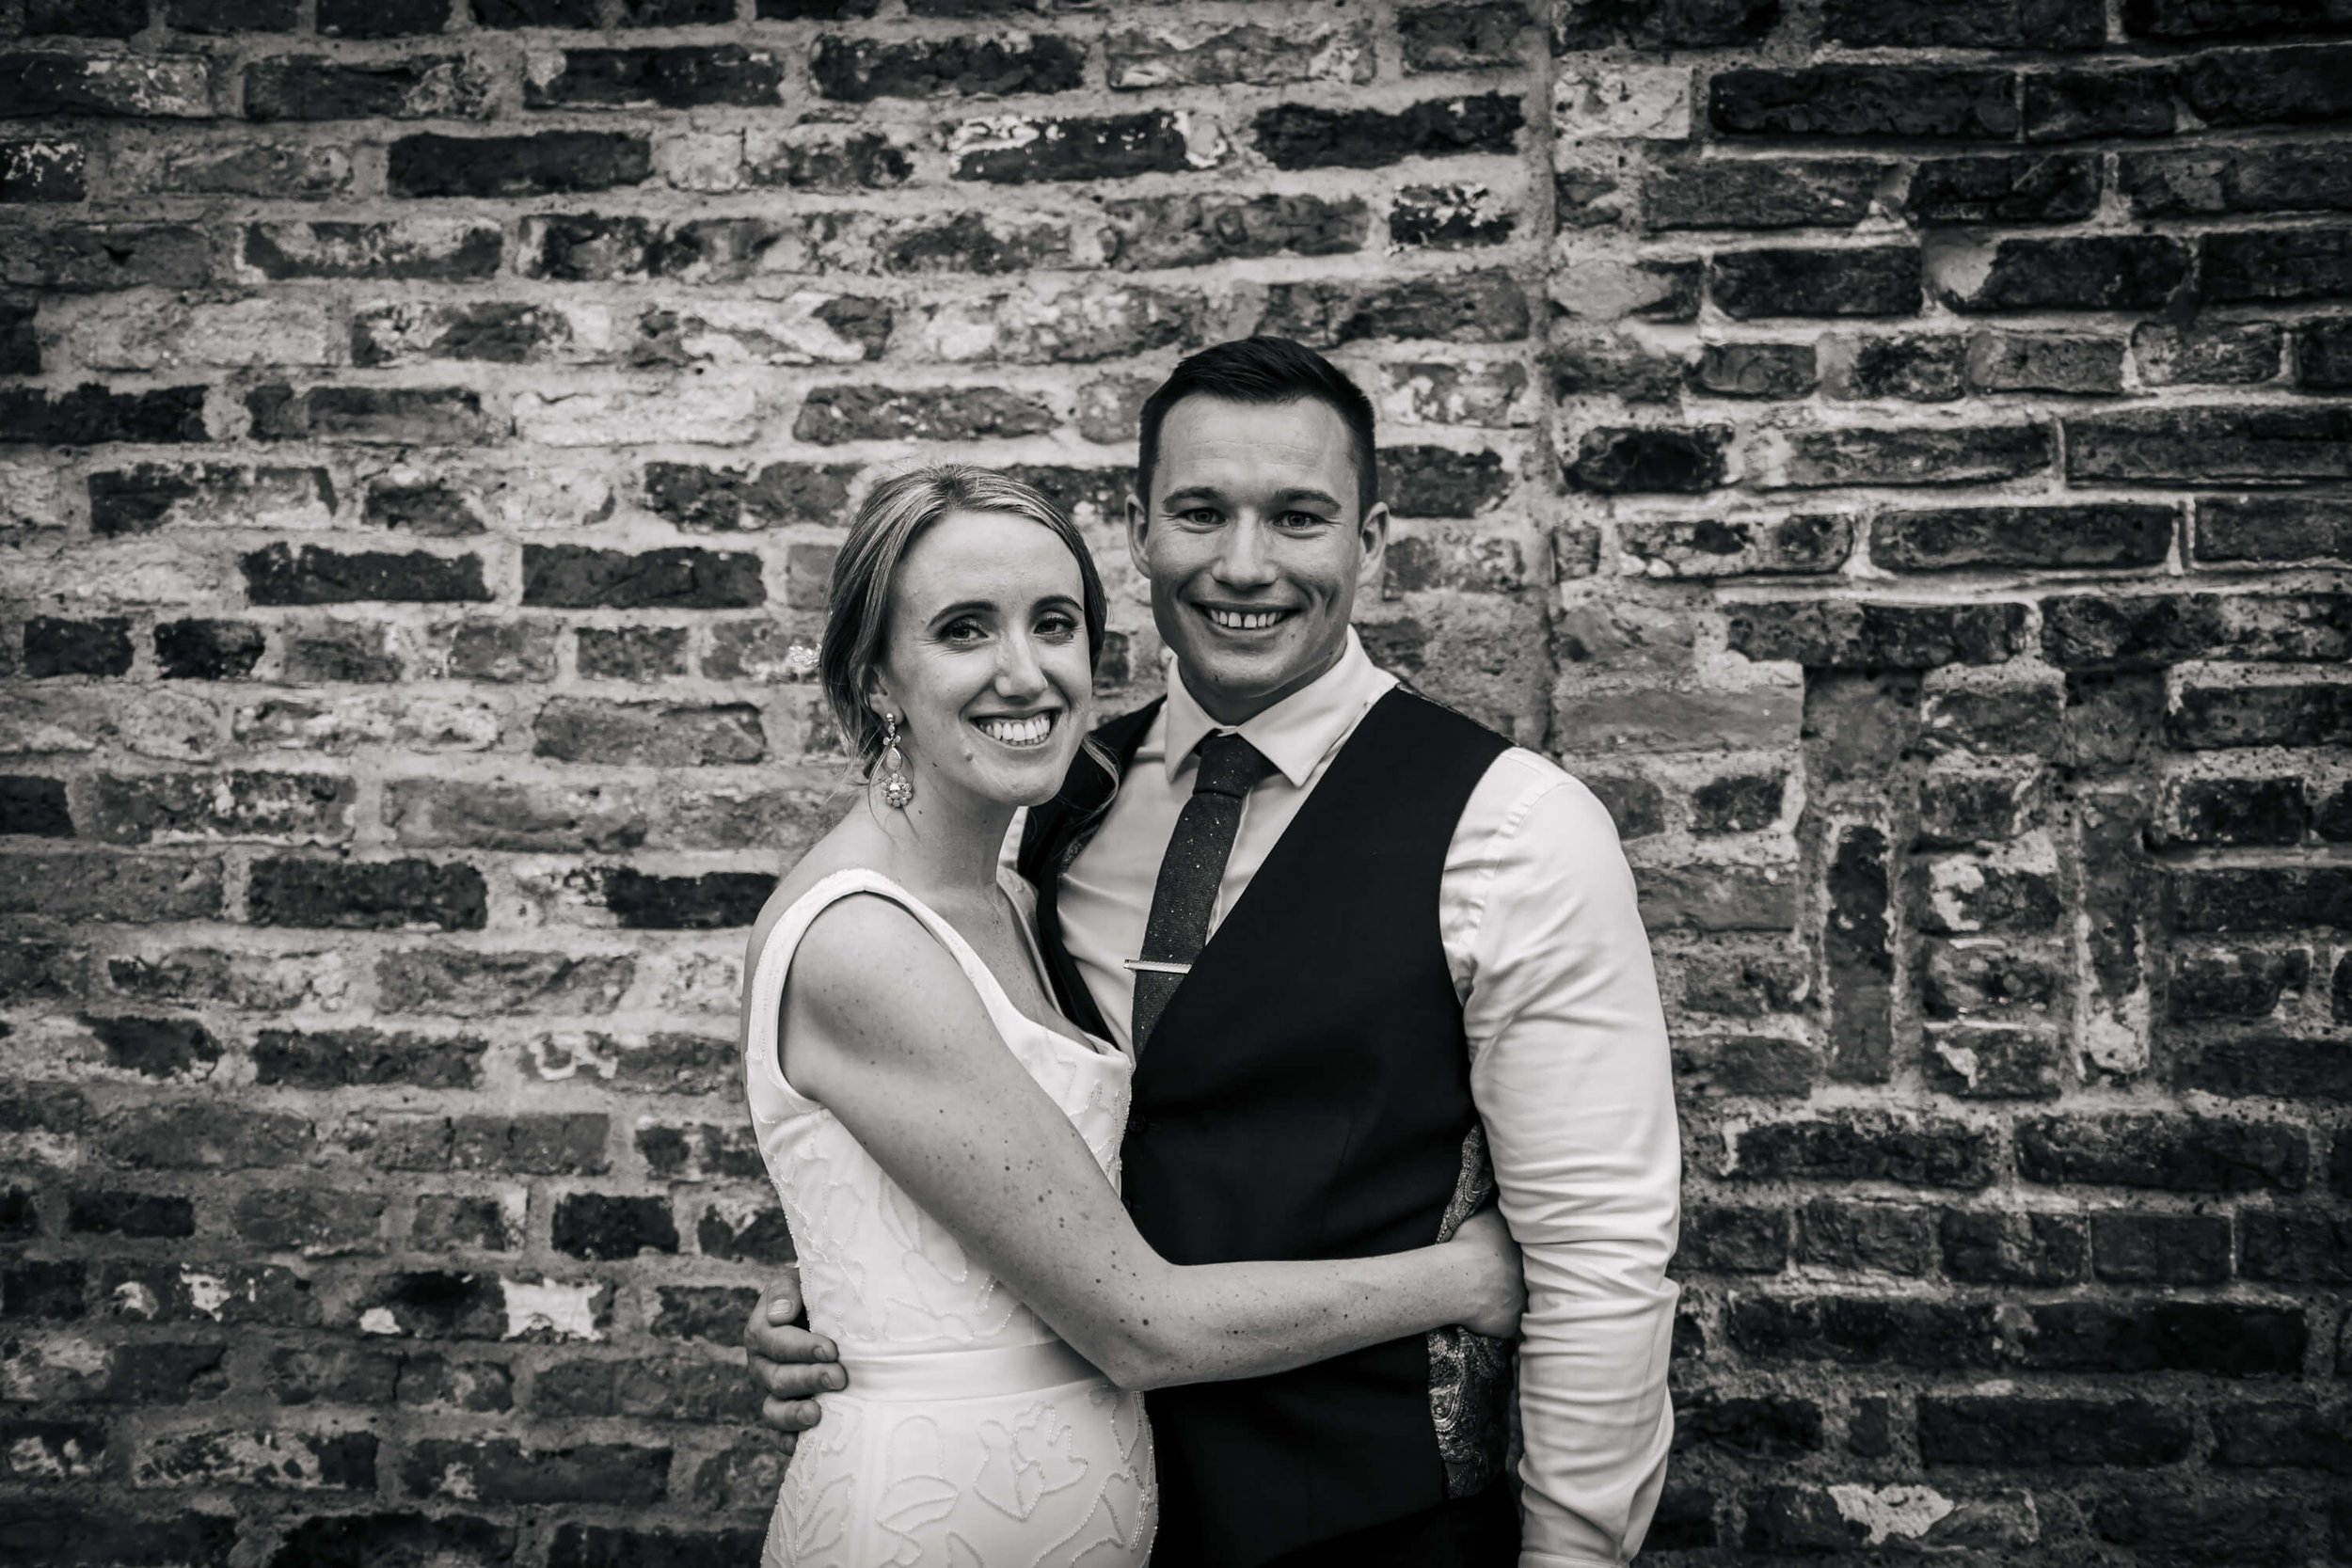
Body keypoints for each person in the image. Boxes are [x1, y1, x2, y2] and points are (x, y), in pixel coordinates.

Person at [749, 339, 1682, 1566]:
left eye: (1298, 517)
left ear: (1372, 539)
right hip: (1072, 1506)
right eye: (1200, 512)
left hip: (1362, 1518)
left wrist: (1573, 1557)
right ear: (1140, 534)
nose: (1245, 565)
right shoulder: (1050, 800)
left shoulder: (1513, 828)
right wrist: (861, 1311)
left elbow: (1602, 1257)